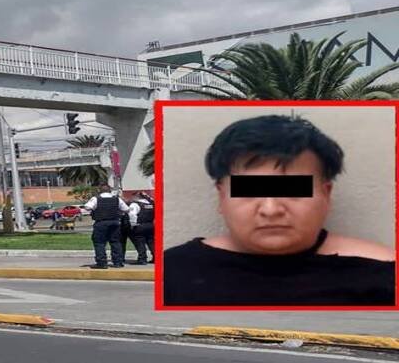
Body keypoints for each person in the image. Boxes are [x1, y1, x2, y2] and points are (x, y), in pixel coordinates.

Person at [164, 115, 395, 306]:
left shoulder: (384, 273)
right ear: (221, 196)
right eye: (249, 191)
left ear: (326, 195)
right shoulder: (173, 271)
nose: (271, 209)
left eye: (292, 190)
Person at [84, 185, 130, 268]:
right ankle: (118, 262)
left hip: (101, 223)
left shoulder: (96, 199)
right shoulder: (117, 199)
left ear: (99, 190)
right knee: (116, 242)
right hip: (114, 222)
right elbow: (126, 209)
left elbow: (87, 207)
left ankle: (102, 263)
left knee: (99, 243)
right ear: (110, 191)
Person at [127, 192, 155, 265]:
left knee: (140, 243)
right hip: (150, 225)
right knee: (151, 242)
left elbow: (132, 214)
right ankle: (156, 257)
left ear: (137, 197)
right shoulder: (151, 203)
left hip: (140, 225)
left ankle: (142, 259)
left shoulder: (135, 204)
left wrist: (133, 224)